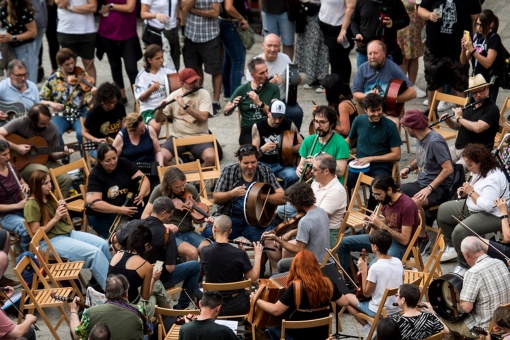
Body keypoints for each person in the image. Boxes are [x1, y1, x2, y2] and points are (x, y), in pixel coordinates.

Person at [24, 170, 111, 290]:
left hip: (67, 233)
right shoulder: (31, 205)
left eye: (50, 182)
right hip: (50, 241)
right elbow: (35, 233)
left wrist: (63, 211)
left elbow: (61, 220)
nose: (50, 186)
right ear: (36, 186)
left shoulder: (48, 196)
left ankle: (107, 282)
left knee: (103, 244)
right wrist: (55, 218)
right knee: (94, 254)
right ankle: (113, 293)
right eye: (45, 183)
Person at [437, 143, 509, 269]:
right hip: (474, 207)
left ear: (480, 162)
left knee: (460, 232)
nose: (468, 168)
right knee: (443, 211)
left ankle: (465, 265)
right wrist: (466, 192)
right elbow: (477, 191)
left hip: (492, 215)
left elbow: (488, 206)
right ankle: (455, 248)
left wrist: (471, 192)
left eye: (470, 165)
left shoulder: (494, 178)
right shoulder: (480, 170)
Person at [423, 237, 510, 339]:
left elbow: (466, 308)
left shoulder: (473, 273)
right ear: (481, 248)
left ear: (466, 255)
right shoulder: (500, 262)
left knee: (440, 320)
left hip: (483, 328)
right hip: (505, 321)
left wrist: (458, 300)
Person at [252, 249, 348, 340]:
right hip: (322, 335)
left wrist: (256, 300)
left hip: (297, 336)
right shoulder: (328, 283)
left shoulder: (295, 286)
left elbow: (276, 310)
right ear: (315, 265)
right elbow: (344, 302)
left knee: (271, 326)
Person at [338, 174, 419, 277]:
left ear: (389, 190)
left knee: (373, 268)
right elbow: (388, 223)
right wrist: (374, 224)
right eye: (374, 194)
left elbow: (405, 240)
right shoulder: (386, 200)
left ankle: (367, 290)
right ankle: (345, 282)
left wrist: (381, 226)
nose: (376, 198)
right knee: (343, 243)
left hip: (400, 246)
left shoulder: (407, 206)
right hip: (384, 238)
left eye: (378, 194)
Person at [203, 144, 285, 242]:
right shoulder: (229, 171)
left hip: (256, 221)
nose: (250, 166)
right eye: (246, 163)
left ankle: (260, 256)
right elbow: (216, 198)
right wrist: (231, 194)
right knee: (208, 235)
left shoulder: (265, 171)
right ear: (239, 160)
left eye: (253, 162)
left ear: (257, 160)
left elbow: (282, 198)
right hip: (230, 217)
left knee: (268, 240)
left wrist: (260, 197)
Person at [399, 108, 453, 253]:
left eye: (405, 127)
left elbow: (448, 169)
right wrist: (409, 168)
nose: (405, 129)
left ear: (411, 128)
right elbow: (421, 156)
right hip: (422, 183)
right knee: (397, 194)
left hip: (439, 188)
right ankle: (407, 230)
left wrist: (429, 188)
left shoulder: (435, 142)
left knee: (414, 202)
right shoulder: (421, 138)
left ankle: (423, 238)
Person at [417, 0, 480, 111]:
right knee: (433, 84)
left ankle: (462, 118)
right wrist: (429, 15)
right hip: (434, 50)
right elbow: (421, 9)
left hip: (458, 51)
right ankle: (432, 115)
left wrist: (474, 42)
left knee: (460, 85)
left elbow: (476, 19)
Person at [0, 104, 73, 197]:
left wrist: (63, 153)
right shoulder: (21, 122)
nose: (47, 126)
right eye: (42, 123)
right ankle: (40, 205)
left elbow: (53, 154)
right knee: (42, 171)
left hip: (45, 161)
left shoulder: (52, 128)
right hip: (21, 164)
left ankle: (56, 207)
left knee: (66, 179)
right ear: (32, 121)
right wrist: (16, 147)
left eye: (48, 122)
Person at [141, 167, 212, 261]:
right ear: (168, 185)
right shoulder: (159, 190)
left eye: (184, 184)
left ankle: (200, 275)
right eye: (177, 187)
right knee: (192, 252)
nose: (182, 189)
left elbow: (196, 219)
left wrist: (204, 218)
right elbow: (144, 216)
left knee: (207, 250)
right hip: (168, 233)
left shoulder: (190, 190)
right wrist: (164, 225)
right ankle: (190, 275)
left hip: (187, 231)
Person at [143, 196, 201, 310]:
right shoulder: (167, 233)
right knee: (195, 266)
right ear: (164, 213)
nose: (170, 219)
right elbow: (170, 268)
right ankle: (181, 307)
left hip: (138, 274)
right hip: (159, 278)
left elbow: (114, 240)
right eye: (170, 216)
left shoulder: (135, 224)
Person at [346, 94, 402, 210]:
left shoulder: (390, 126)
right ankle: (345, 211)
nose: (376, 114)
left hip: (381, 166)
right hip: (359, 165)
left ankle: (369, 219)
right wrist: (335, 148)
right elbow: (349, 141)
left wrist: (371, 158)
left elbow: (396, 155)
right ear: (365, 110)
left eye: (379, 110)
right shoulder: (358, 120)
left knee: (379, 187)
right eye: (372, 111)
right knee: (343, 182)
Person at [340, 229, 404, 331]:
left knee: (346, 299)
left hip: (379, 310)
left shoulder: (375, 267)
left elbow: (366, 293)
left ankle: (368, 329)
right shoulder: (398, 262)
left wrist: (364, 271)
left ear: (375, 247)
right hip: (397, 308)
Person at [200, 215, 263, 316]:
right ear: (230, 231)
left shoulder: (205, 251)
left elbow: (202, 274)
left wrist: (241, 251)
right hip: (237, 305)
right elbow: (254, 279)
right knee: (257, 292)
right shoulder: (239, 254)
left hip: (213, 304)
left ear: (214, 229)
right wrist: (258, 255)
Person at [262, 182, 331, 273]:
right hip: (325, 259)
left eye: (291, 202)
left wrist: (278, 239)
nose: (291, 205)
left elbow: (298, 250)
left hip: (312, 264)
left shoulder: (305, 221)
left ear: (298, 201)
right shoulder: (321, 211)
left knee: (282, 264)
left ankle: (282, 282)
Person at [86, 143, 150, 238]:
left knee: (149, 223)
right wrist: (120, 210)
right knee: (129, 236)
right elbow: (94, 203)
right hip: (106, 214)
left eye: (114, 158)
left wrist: (142, 193)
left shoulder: (123, 163)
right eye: (108, 160)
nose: (113, 162)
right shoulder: (96, 174)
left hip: (127, 206)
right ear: (100, 161)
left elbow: (143, 179)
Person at [108, 223, 170, 318]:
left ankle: (168, 316)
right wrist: (153, 277)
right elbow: (145, 297)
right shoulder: (145, 265)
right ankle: (169, 315)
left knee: (157, 286)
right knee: (156, 290)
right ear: (146, 245)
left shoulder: (116, 256)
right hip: (132, 308)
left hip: (113, 303)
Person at [439, 74, 500, 169]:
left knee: (455, 172)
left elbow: (478, 128)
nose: (478, 95)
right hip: (457, 149)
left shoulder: (492, 109)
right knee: (437, 163)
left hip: (474, 154)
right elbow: (458, 126)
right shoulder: (471, 103)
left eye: (481, 90)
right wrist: (448, 120)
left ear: (487, 88)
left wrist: (460, 118)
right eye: (474, 92)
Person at [245, 34, 304, 130]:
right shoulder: (254, 63)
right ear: (263, 46)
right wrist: (271, 83)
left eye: (276, 46)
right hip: (263, 101)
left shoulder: (285, 58)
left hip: (283, 100)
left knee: (297, 112)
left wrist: (295, 79)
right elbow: (250, 90)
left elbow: (297, 80)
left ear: (279, 47)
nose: (272, 49)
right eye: (269, 45)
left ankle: (291, 139)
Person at [40, 48, 95, 147]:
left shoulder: (82, 74)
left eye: (72, 63)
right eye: (67, 64)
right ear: (60, 65)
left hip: (80, 112)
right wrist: (52, 103)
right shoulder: (53, 79)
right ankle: (64, 155)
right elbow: (40, 99)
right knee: (55, 133)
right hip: (61, 114)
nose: (71, 67)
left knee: (81, 133)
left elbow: (87, 101)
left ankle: (85, 158)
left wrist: (94, 95)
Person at [160, 68, 216, 167]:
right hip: (178, 136)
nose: (195, 83)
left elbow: (203, 117)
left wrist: (185, 106)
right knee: (161, 157)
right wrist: (160, 110)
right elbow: (158, 119)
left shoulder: (204, 94)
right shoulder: (174, 95)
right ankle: (180, 177)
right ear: (182, 83)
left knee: (211, 157)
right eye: (191, 82)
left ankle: (197, 181)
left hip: (200, 137)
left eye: (196, 80)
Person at [70, 274, 153, 340]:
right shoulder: (139, 310)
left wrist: (73, 311)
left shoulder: (89, 313)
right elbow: (149, 331)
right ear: (126, 293)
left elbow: (77, 336)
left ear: (106, 293)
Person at [180, 0, 223, 116]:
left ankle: (215, 101)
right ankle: (198, 96)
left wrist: (194, 10)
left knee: (215, 70)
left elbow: (215, 12)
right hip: (191, 35)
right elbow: (184, 7)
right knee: (195, 69)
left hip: (210, 36)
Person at [224, 57, 280, 145]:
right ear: (252, 75)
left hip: (267, 126)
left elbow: (275, 114)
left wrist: (259, 103)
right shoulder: (242, 90)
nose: (266, 75)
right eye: (262, 73)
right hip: (248, 129)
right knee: (251, 149)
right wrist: (232, 105)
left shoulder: (273, 88)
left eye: (266, 71)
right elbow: (225, 112)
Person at [97, 0, 142, 105]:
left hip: (127, 31)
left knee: (131, 68)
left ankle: (138, 96)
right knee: (115, 65)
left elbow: (129, 7)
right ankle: (121, 96)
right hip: (107, 31)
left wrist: (110, 6)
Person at [251, 100, 302, 189]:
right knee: (255, 178)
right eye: (274, 117)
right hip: (263, 163)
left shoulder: (289, 124)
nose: (278, 121)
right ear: (268, 113)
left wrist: (287, 148)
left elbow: (302, 145)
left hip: (282, 164)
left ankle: (285, 196)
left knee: (293, 176)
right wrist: (263, 149)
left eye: (280, 117)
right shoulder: (258, 126)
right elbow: (252, 154)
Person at [296, 106, 350, 184]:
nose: (318, 126)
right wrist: (300, 168)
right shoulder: (308, 141)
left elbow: (340, 171)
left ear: (331, 124)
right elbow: (302, 163)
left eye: (322, 122)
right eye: (316, 121)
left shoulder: (340, 143)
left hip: (331, 187)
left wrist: (318, 163)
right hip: (311, 185)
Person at [352, 40, 416, 105]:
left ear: (384, 53)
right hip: (367, 107)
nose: (372, 57)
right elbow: (355, 95)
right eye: (370, 54)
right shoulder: (362, 69)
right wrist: (369, 97)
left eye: (376, 53)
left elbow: (412, 93)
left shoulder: (393, 68)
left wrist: (391, 100)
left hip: (387, 109)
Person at [350, 0, 409, 67]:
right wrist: (357, 34)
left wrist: (393, 23)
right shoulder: (361, 1)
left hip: (387, 52)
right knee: (364, 77)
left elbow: (406, 19)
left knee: (388, 77)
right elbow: (353, 20)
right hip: (365, 52)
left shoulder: (393, 1)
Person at [460, 10, 502, 103]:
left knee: (485, 113)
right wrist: (463, 49)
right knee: (472, 110)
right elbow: (463, 61)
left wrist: (472, 50)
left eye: (482, 25)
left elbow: (488, 63)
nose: (479, 28)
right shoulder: (476, 37)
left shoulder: (494, 38)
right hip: (475, 82)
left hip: (488, 83)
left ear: (491, 24)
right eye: (477, 24)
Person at [134, 44, 175, 136]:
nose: (162, 60)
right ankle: (154, 147)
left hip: (168, 106)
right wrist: (150, 90)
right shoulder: (142, 76)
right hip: (150, 109)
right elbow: (141, 99)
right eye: (157, 58)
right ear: (149, 60)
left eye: (162, 57)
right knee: (156, 127)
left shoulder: (168, 71)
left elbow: (179, 86)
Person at [0, 140, 31, 251]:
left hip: (22, 207)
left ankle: (41, 252)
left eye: (9, 153)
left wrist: (25, 186)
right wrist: (17, 206)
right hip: (6, 215)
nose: (8, 157)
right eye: (4, 155)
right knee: (26, 230)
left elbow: (22, 182)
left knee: (42, 219)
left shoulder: (11, 167)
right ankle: (26, 255)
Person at [55, 0, 97, 81]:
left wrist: (71, 8)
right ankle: (69, 90)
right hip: (66, 30)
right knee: (68, 64)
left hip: (87, 30)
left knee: (88, 63)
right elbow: (61, 4)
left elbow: (93, 7)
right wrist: (81, 9)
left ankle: (92, 91)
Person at [294, 0, 329, 94]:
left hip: (321, 14)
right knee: (308, 47)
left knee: (321, 48)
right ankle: (313, 78)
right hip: (306, 15)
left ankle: (323, 80)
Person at [0, 0, 38, 84]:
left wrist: (13, 37)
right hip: (10, 48)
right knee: (13, 77)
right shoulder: (3, 6)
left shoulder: (23, 9)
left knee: (26, 79)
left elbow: (33, 31)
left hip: (24, 48)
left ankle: (29, 96)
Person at [218, 0, 248, 104]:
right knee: (238, 60)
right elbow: (228, 7)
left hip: (227, 22)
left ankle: (228, 94)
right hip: (230, 23)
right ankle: (235, 98)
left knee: (229, 59)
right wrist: (241, 18)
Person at [318, 0, 355, 85]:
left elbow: (351, 7)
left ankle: (344, 89)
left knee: (341, 59)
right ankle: (335, 88)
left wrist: (343, 30)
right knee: (333, 60)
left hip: (339, 27)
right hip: (326, 26)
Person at [83, 82, 126, 151]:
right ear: (102, 101)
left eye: (114, 102)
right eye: (109, 103)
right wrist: (97, 140)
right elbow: (84, 132)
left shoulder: (119, 106)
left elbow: (124, 120)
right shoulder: (94, 112)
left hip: (116, 140)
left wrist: (123, 132)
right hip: (98, 144)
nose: (112, 105)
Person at [396, 0, 427, 98]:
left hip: (416, 28)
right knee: (404, 58)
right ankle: (402, 85)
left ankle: (412, 85)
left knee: (414, 57)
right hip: (404, 29)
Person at [140, 0, 181, 70]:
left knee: (174, 64)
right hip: (155, 32)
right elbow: (143, 14)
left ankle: (172, 80)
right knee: (156, 64)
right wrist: (155, 15)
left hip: (171, 31)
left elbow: (175, 5)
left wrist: (177, 18)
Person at [321, 73, 357, 138]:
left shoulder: (343, 105)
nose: (323, 91)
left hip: (349, 141)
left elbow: (345, 130)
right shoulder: (336, 100)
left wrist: (329, 124)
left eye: (325, 89)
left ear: (331, 90)